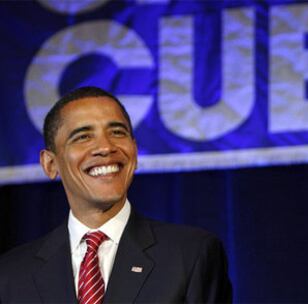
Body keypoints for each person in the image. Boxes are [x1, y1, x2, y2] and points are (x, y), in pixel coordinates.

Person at [0, 86, 232, 303]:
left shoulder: (190, 255)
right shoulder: (11, 273)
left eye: (117, 132)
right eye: (83, 136)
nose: (105, 147)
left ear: (135, 151)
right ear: (50, 164)